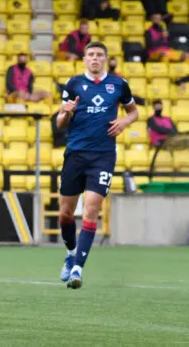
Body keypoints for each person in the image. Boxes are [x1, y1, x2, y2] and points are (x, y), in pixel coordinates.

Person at [56, 41, 138, 289]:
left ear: (105, 59)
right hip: (76, 154)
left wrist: (124, 122)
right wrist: (66, 112)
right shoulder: (73, 84)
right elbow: (60, 122)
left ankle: (78, 269)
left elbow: (134, 112)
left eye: (99, 55)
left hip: (103, 156)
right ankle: (71, 254)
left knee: (91, 211)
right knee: (65, 214)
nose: (94, 58)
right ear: (84, 59)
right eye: (90, 54)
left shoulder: (119, 84)